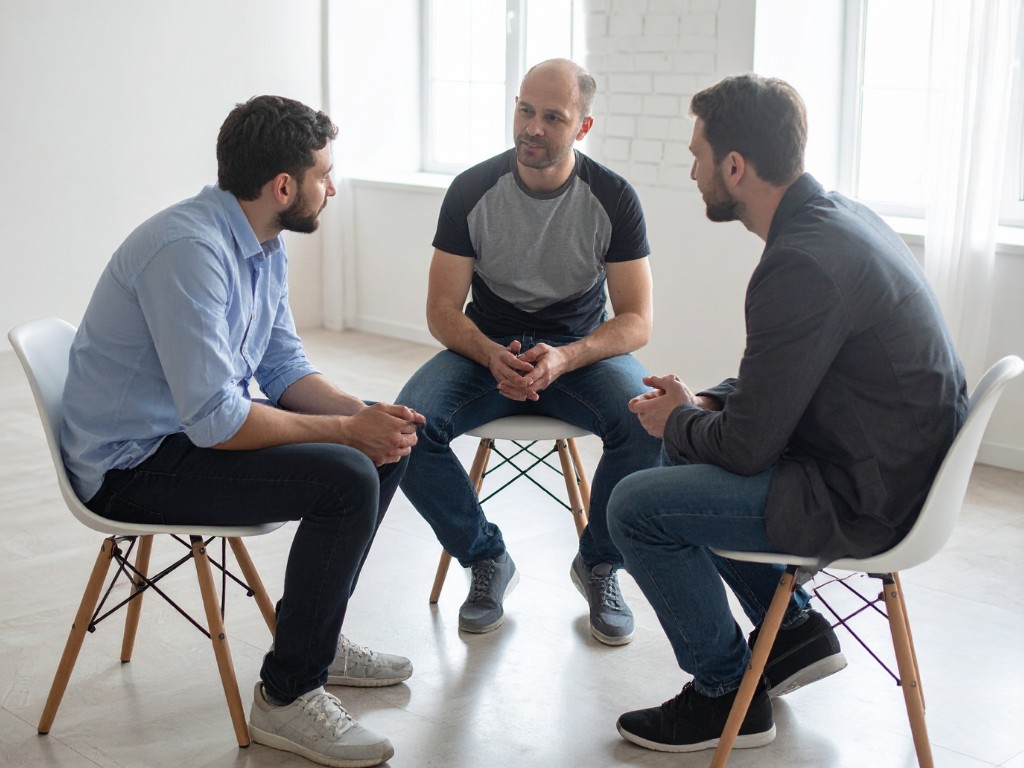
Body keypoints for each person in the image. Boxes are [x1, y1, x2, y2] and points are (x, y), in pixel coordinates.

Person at [61, 95, 425, 768]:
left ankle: (310, 632)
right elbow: (219, 420)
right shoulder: (189, 252)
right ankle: (288, 697)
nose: (333, 187)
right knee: (348, 472)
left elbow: (282, 368)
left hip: (182, 436)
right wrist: (347, 431)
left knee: (382, 446)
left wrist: (363, 417)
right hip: (130, 468)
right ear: (284, 186)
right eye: (325, 174)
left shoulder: (262, 243)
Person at [608, 74, 968, 754]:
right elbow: (786, 382)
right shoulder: (839, 218)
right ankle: (795, 632)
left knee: (635, 506)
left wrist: (678, 421)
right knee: (681, 444)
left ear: (736, 168)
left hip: (866, 497)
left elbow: (746, 450)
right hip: (887, 463)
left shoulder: (800, 262)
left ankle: (724, 696)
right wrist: (703, 403)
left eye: (697, 155)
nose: (691, 170)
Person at [396, 58, 662, 645]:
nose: (532, 128)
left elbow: (637, 320)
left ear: (583, 128)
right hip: (485, 351)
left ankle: (599, 564)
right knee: (406, 429)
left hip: (579, 356)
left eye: (552, 117)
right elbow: (442, 310)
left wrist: (567, 357)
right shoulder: (472, 189)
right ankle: (486, 557)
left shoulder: (613, 197)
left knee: (651, 422)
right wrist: (490, 354)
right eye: (524, 110)